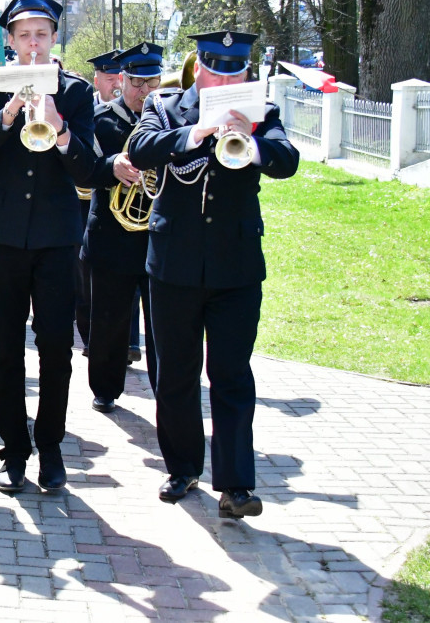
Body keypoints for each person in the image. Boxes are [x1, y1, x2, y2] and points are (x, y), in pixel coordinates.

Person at [127, 30, 299, 519]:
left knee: (231, 375)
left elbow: (287, 162)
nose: (225, 77)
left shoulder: (263, 112)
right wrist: (198, 131)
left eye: (235, 69)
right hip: (174, 263)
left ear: (246, 71)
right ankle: (182, 468)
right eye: (216, 68)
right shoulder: (165, 106)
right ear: (197, 67)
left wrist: (255, 140)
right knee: (177, 372)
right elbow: (141, 150)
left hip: (236, 265)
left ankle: (236, 485)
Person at [0, 0, 103, 494]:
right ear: (10, 41)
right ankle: (13, 451)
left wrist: (59, 123)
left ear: (53, 38)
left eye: (41, 35)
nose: (33, 44)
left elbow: (89, 167)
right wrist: (7, 115)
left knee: (55, 350)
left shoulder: (77, 92)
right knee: (6, 349)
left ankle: (49, 447)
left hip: (55, 239)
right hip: (1, 239)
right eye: (23, 35)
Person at [82, 41, 164, 415]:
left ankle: (167, 388)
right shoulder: (101, 120)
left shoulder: (170, 121)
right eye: (136, 82)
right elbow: (83, 174)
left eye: (151, 83)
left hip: (158, 238)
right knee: (108, 320)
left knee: (164, 325)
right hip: (112, 236)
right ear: (122, 81)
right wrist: (112, 166)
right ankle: (105, 387)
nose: (143, 91)